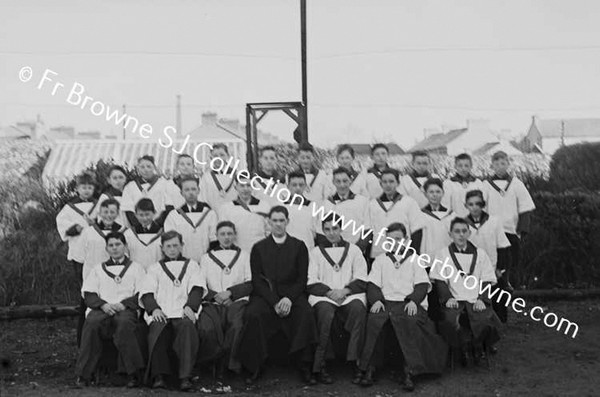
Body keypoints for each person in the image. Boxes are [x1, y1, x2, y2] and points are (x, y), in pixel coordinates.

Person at [357, 223, 447, 391]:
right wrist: (376, 300)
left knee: (410, 322)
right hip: (386, 302)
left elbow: (421, 284)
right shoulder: (381, 260)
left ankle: (409, 369)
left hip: (408, 303)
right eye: (390, 240)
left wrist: (414, 300)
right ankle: (371, 367)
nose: (395, 243)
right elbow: (373, 284)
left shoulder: (415, 260)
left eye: (398, 239)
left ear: (406, 240)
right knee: (375, 321)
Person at [236, 206, 318, 386]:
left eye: (282, 220)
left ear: (287, 222)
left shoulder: (299, 246)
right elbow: (257, 280)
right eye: (275, 221)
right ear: (269, 222)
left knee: (305, 313)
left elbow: (302, 278)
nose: (278, 224)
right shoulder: (259, 248)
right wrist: (274, 302)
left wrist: (289, 298)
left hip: (292, 295)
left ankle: (304, 365)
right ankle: (255, 365)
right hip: (267, 296)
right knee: (253, 314)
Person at [75, 232, 146, 388]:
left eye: (118, 244)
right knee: (92, 323)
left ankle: (132, 374)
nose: (115, 248)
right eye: (111, 245)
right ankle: (85, 374)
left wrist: (125, 304)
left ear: (125, 246)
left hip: (125, 309)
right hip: (103, 309)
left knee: (124, 324)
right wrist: (103, 305)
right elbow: (89, 292)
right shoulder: (98, 269)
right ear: (106, 248)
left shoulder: (136, 268)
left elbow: (142, 292)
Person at [430, 218, 501, 366]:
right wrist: (448, 298)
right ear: (450, 234)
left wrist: (482, 298)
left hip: (476, 299)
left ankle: (478, 346)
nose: (461, 235)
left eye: (464, 231)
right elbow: (440, 280)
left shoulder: (480, 254)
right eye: (457, 231)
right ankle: (462, 348)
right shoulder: (443, 254)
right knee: (449, 321)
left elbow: (487, 279)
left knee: (485, 320)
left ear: (469, 233)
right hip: (455, 298)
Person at [139, 231, 205, 391]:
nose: (172, 249)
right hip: (162, 311)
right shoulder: (155, 268)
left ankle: (185, 377)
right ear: (162, 248)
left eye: (175, 245)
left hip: (183, 310)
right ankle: (160, 376)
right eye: (168, 246)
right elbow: (147, 292)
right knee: (157, 331)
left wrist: (190, 306)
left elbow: (197, 288)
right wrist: (154, 309)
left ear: (182, 246)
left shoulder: (192, 265)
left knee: (187, 328)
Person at [307, 214, 368, 384]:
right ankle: (322, 363)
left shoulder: (354, 250)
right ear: (323, 231)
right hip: (325, 296)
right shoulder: (315, 252)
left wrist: (345, 290)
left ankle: (356, 361)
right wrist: (329, 293)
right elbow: (311, 280)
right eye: (327, 229)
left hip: (348, 295)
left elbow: (362, 277)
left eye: (335, 228)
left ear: (341, 229)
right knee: (325, 313)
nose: (331, 233)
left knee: (358, 310)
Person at [198, 221, 252, 377]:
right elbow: (200, 283)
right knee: (208, 328)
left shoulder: (244, 255)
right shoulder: (206, 258)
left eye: (229, 234)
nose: (226, 237)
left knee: (236, 326)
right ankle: (211, 363)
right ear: (216, 236)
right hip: (213, 302)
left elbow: (250, 282)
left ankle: (230, 364)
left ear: (235, 235)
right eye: (222, 234)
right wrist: (216, 296)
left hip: (236, 301)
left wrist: (231, 293)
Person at [56, 171, 98, 346]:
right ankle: (83, 336)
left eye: (90, 187)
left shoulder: (98, 205)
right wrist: (77, 228)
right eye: (83, 187)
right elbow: (63, 226)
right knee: (85, 293)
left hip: (97, 253)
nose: (87, 190)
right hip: (79, 255)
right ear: (77, 188)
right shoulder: (69, 207)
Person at [482, 151, 535, 290]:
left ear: (508, 164)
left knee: (511, 258)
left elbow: (525, 207)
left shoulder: (516, 184)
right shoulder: (486, 185)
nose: (500, 166)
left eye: (503, 163)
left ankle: (510, 282)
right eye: (497, 164)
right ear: (492, 166)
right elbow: (482, 207)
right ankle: (494, 283)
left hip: (511, 228)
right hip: (492, 229)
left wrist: (522, 229)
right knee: (495, 257)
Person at [464, 190, 511, 323]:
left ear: (483, 205)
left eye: (478, 204)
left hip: (492, 267)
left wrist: (499, 269)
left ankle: (500, 324)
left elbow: (502, 246)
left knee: (497, 298)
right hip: (471, 269)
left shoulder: (494, 221)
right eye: (471, 204)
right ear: (466, 206)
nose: (475, 207)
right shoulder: (463, 224)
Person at [367, 169, 425, 263]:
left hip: (403, 253)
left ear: (398, 183)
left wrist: (412, 252)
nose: (388, 185)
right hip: (379, 253)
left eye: (391, 181)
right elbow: (368, 231)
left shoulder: (409, 202)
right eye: (384, 182)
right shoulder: (372, 204)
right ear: (380, 183)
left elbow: (417, 230)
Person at [419, 178, 455, 322]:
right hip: (428, 260)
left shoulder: (452, 215)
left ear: (443, 193)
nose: (434, 195)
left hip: (447, 261)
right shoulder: (420, 214)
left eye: (438, 191)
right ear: (426, 194)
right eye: (431, 192)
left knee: (448, 293)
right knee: (432, 296)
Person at [164, 176, 217, 262]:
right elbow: (171, 242)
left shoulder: (209, 214)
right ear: (181, 193)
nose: (191, 192)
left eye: (193, 189)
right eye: (187, 190)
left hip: (206, 260)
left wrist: (208, 259)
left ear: (198, 191)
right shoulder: (173, 215)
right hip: (182, 262)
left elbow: (214, 239)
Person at [73, 198, 126, 282]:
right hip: (93, 278)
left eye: (112, 212)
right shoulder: (88, 232)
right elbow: (79, 257)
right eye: (105, 212)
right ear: (100, 213)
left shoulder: (125, 232)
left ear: (117, 213)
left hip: (118, 278)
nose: (109, 215)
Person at [217, 177, 271, 252]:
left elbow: (269, 231)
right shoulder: (226, 208)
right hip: (236, 252)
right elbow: (223, 232)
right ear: (236, 187)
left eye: (248, 185)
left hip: (260, 251)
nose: (245, 189)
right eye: (242, 186)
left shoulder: (264, 206)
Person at [320, 167, 370, 250]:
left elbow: (367, 229)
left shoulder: (362, 201)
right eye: (338, 181)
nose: (342, 185)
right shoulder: (327, 203)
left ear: (350, 180)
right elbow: (321, 231)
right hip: (334, 250)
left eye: (345, 181)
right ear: (333, 182)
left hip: (356, 249)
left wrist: (357, 249)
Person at [121, 155, 173, 229]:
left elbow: (168, 206)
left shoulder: (164, 184)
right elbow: (128, 209)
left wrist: (156, 225)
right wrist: (138, 226)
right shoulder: (130, 186)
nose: (145, 170)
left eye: (149, 166)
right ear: (138, 168)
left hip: (159, 227)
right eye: (142, 167)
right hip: (138, 228)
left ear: (154, 167)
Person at [123, 198, 163, 270]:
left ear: (154, 213)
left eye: (147, 214)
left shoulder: (162, 233)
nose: (144, 218)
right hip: (135, 272)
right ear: (135, 215)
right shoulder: (129, 234)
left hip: (157, 271)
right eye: (141, 215)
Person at [282, 171, 318, 250]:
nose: (298, 188)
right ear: (288, 186)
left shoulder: (312, 205)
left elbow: (316, 231)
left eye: (301, 185)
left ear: (305, 186)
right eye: (294, 185)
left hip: (307, 248)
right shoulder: (281, 205)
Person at [442, 153, 484, 218]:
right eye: (460, 166)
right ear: (455, 166)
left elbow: (482, 205)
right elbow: (446, 206)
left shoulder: (477, 183)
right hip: (456, 221)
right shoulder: (448, 183)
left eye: (466, 166)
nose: (463, 168)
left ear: (471, 166)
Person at [199, 143, 237, 210]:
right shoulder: (206, 177)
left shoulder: (236, 175)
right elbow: (202, 198)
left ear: (227, 156)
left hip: (233, 213)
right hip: (213, 213)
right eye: (215, 155)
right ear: (211, 157)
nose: (218, 158)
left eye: (222, 155)